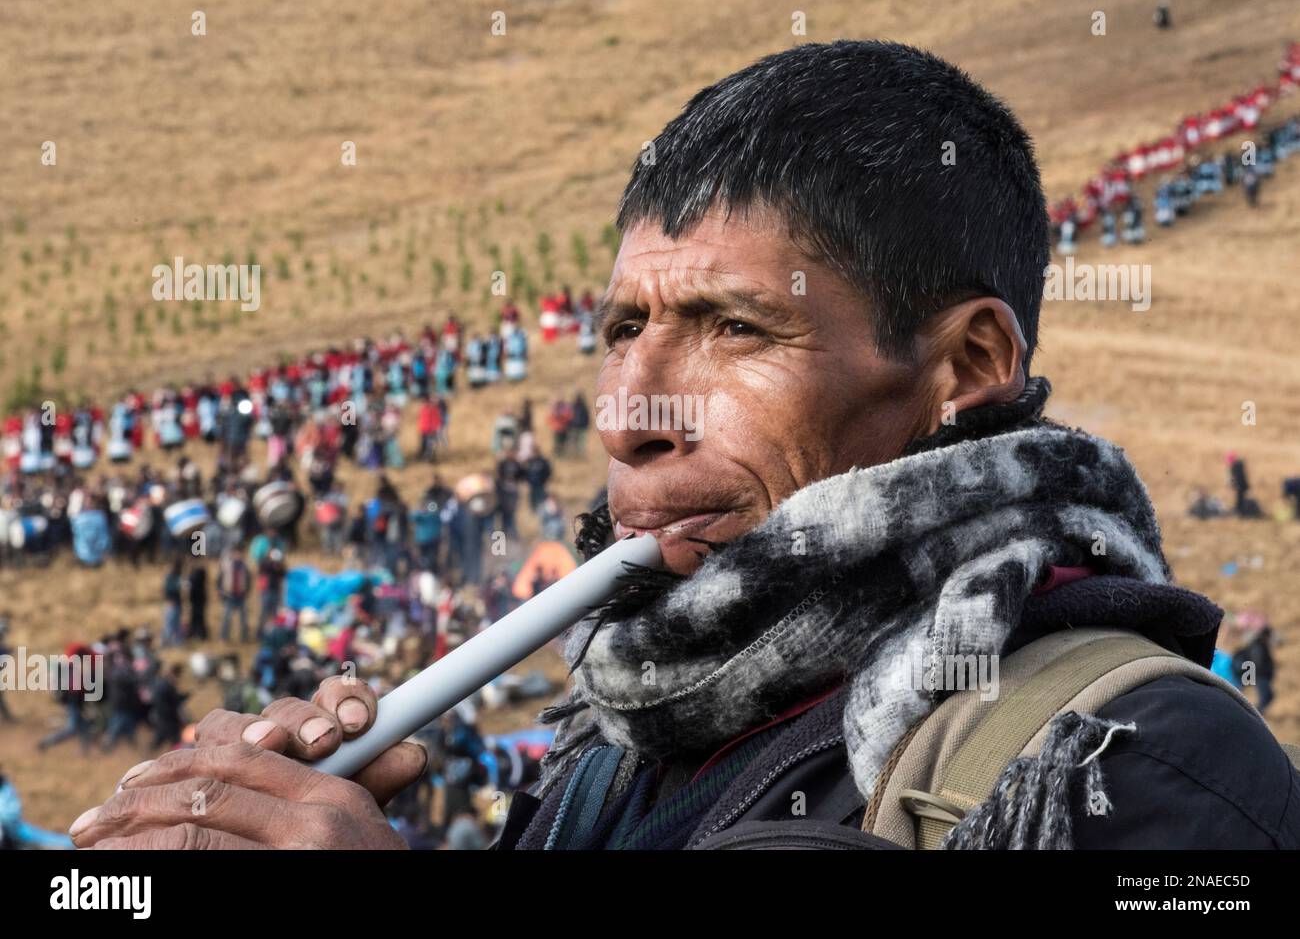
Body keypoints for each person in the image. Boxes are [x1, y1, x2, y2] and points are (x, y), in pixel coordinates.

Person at [72, 41, 1300, 851]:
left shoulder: (1143, 773)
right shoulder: (603, 751)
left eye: (731, 327)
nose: (628, 415)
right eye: (621, 331)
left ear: (966, 370)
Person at [217, 548, 252, 644]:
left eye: (239, 553)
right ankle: (224, 638)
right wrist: (221, 591)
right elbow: (219, 580)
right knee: (227, 618)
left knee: (244, 619)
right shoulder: (226, 566)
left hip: (241, 596)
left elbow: (249, 580)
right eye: (236, 553)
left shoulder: (245, 567)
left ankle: (244, 638)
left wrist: (246, 591)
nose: (238, 555)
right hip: (229, 595)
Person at [187, 561, 209, 641]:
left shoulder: (199, 572)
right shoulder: (197, 572)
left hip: (198, 600)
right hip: (196, 600)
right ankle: (196, 633)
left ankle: (200, 634)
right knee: (196, 618)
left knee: (198, 618)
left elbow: (193, 581)